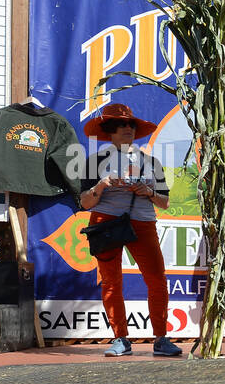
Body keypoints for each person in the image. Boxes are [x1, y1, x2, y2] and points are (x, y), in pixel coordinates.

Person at [78, 103, 181, 358]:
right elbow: (84, 202)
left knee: (157, 280)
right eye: (121, 125)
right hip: (106, 222)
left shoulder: (150, 162)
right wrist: (102, 185)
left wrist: (148, 192)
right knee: (111, 282)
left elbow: (165, 203)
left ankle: (161, 338)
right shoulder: (96, 161)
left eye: (130, 125)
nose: (127, 128)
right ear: (110, 131)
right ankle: (120, 338)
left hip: (143, 222)